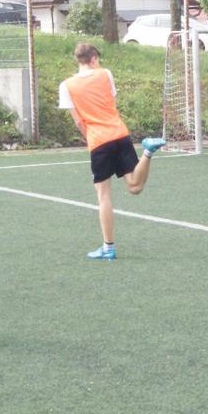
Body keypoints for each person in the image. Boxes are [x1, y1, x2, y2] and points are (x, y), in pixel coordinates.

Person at [58, 42, 166, 260]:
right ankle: (147, 152)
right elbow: (111, 105)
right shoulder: (106, 74)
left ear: (78, 60)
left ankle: (108, 248)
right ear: (93, 59)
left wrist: (90, 137)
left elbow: (78, 121)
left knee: (103, 196)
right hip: (119, 133)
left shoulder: (66, 86)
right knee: (135, 186)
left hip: (99, 141)